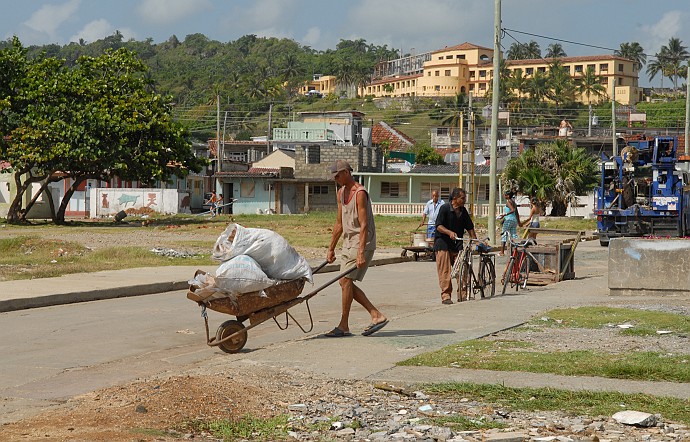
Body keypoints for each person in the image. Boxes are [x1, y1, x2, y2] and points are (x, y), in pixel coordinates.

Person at [325, 160, 388, 337]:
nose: (336, 179)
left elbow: (364, 224)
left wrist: (361, 252)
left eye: (337, 175)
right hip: (348, 242)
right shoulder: (340, 193)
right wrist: (331, 249)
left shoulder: (359, 193)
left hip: (363, 242)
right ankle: (376, 315)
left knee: (345, 281)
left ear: (346, 172)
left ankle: (344, 325)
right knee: (344, 282)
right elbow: (339, 223)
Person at [434, 187, 477, 304]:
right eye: (462, 198)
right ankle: (446, 296)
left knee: (462, 270)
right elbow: (438, 226)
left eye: (465, 198)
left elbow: (470, 229)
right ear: (454, 198)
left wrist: (476, 241)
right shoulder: (445, 208)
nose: (464, 200)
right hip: (443, 244)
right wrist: (449, 232)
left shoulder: (463, 212)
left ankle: (462, 294)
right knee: (445, 271)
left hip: (457, 245)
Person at [498, 191, 521, 256]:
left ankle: (502, 252)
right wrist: (519, 222)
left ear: (508, 195)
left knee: (504, 234)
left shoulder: (508, 202)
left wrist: (504, 214)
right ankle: (515, 251)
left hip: (508, 220)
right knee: (513, 235)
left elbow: (512, 210)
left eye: (505, 195)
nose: (504, 196)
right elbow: (516, 213)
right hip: (514, 220)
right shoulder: (513, 202)